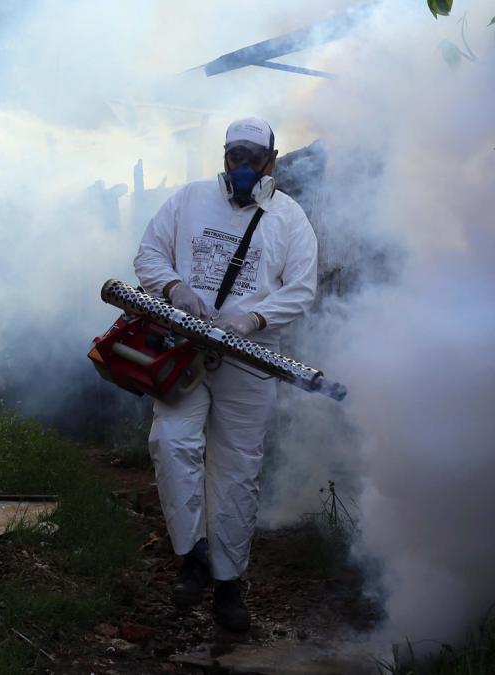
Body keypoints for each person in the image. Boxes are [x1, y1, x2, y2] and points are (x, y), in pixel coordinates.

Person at [133, 117, 318, 631]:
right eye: (234, 153)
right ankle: (191, 553)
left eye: (251, 156)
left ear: (271, 163)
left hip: (249, 359)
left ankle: (229, 586)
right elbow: (148, 255)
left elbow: (302, 289)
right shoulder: (188, 200)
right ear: (224, 157)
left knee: (238, 470)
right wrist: (175, 290)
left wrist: (253, 318)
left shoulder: (289, 218)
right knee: (170, 443)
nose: (241, 165)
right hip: (185, 350)